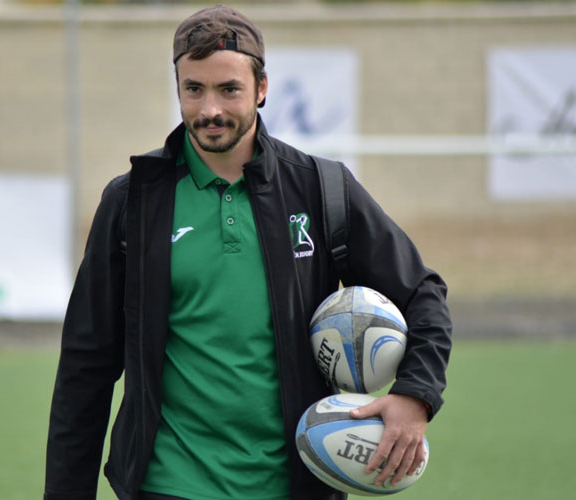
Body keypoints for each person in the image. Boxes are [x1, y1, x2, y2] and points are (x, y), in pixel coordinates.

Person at [44, 5, 452, 500]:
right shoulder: (133, 202)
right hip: (169, 485)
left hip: (293, 486)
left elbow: (422, 293)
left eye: (228, 89)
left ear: (261, 89)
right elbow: (85, 367)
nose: (209, 109)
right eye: (193, 89)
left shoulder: (321, 190)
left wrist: (414, 395)